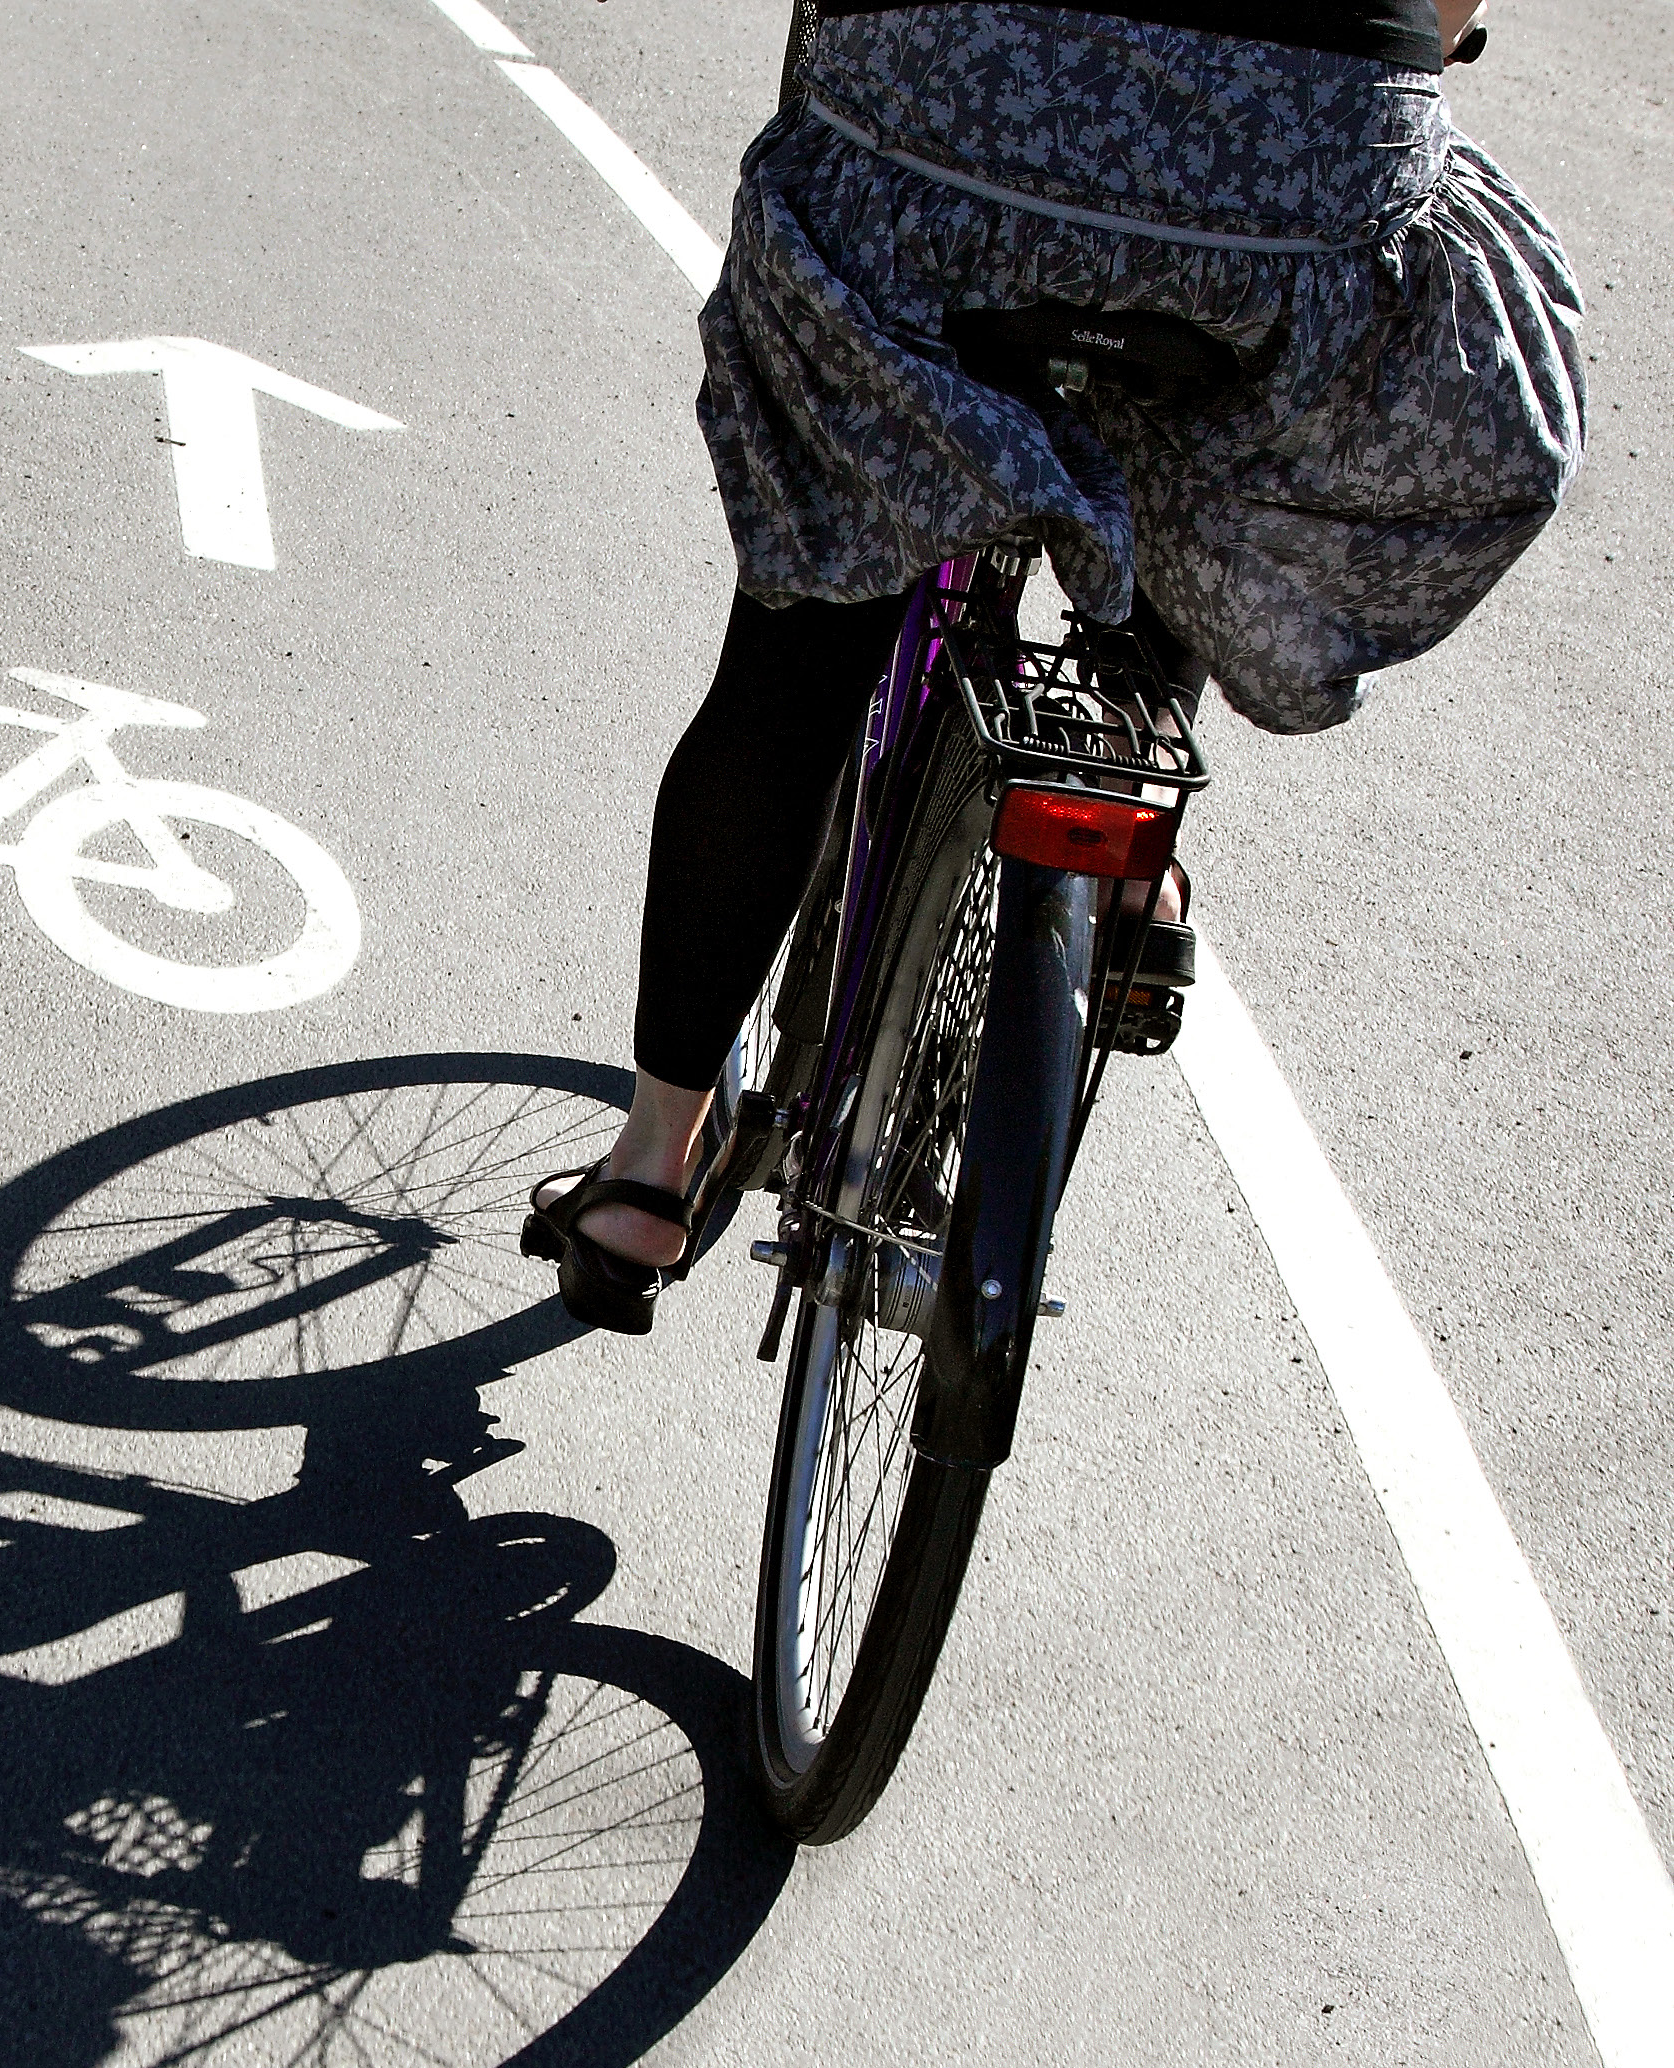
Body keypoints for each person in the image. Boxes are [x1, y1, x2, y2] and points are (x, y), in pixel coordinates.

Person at [525, 0, 1585, 1333]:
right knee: (1228, 394)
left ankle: (649, 1171)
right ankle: (1131, 806)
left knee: (805, 633)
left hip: (956, 111)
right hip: (1295, 165)